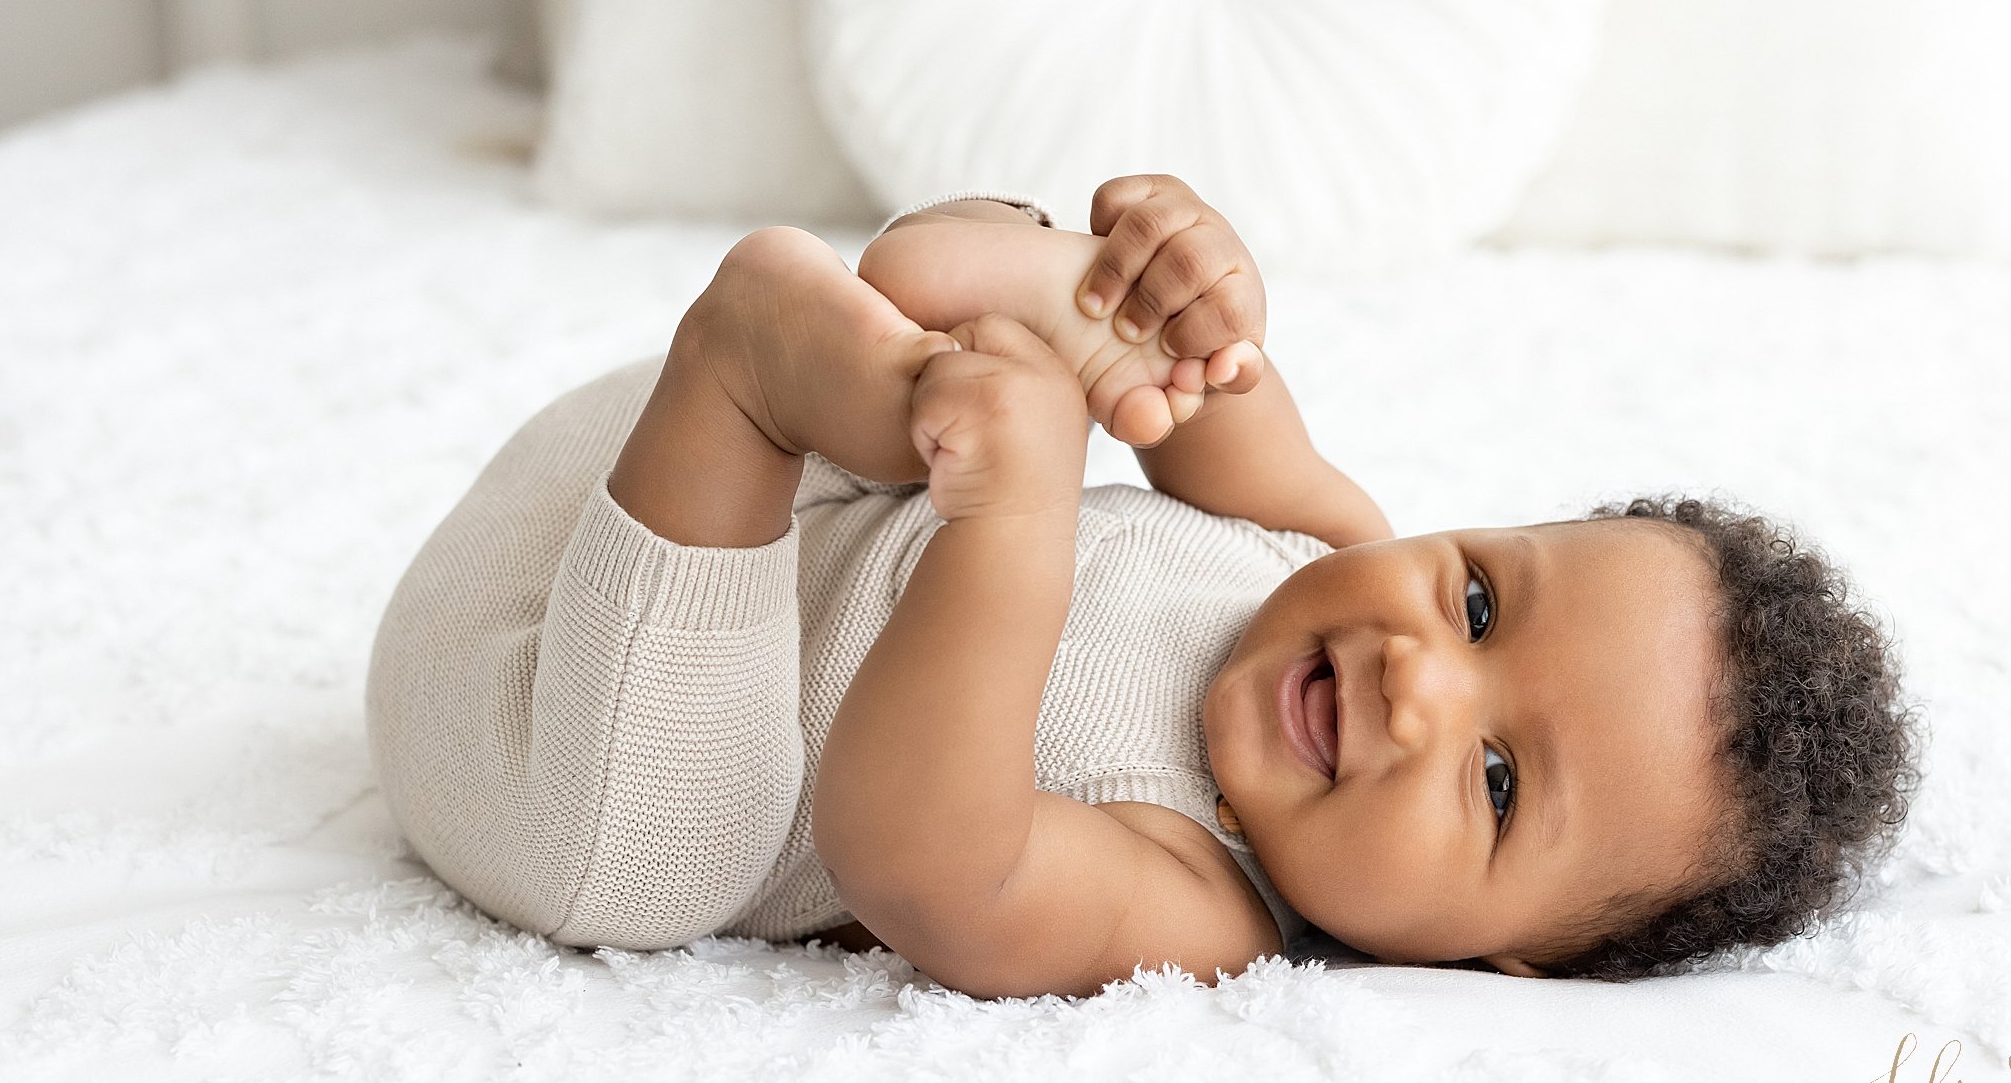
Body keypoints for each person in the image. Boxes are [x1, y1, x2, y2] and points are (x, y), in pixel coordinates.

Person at [366, 177, 1919, 998]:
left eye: (1500, 782)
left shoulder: (1204, 903)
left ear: (1502, 960)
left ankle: (764, 361)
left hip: (543, 756)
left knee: (664, 872)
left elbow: (918, 861)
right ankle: (948, 288)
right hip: (603, 512)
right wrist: (1168, 281)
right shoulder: (1316, 540)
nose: (1418, 679)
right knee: (1010, 346)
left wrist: (1016, 526)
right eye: (1481, 605)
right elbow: (1217, 387)